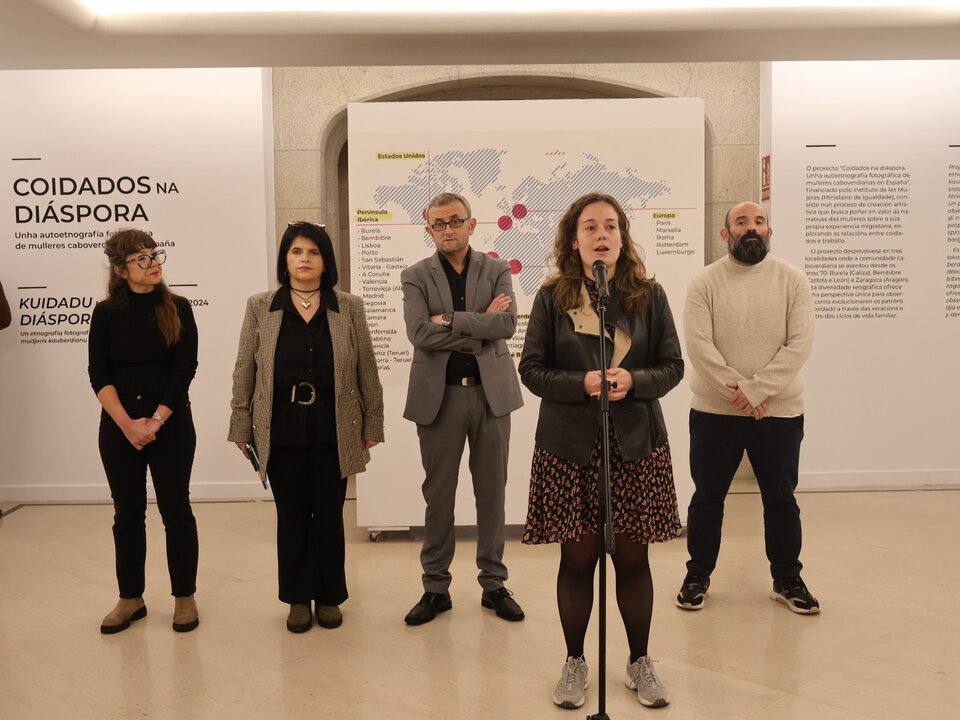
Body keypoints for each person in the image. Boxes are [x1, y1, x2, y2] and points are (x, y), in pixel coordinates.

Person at [519, 192, 682, 710]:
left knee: (634, 559)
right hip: (571, 450)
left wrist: (634, 379)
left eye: (610, 226)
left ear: (622, 238)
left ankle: (639, 661)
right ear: (574, 240)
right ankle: (574, 662)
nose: (602, 235)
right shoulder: (551, 298)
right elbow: (532, 369)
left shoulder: (649, 296)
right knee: (578, 558)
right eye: (590, 227)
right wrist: (581, 382)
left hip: (635, 444)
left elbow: (673, 366)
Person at [229, 221, 383, 633]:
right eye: (296, 251)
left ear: (325, 260)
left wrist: (374, 420)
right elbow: (246, 367)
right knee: (292, 515)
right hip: (281, 426)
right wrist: (240, 424)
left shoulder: (348, 306)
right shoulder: (261, 306)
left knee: (329, 514)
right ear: (285, 259)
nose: (305, 259)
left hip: (335, 425)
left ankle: (330, 596)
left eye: (313, 252)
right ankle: (297, 597)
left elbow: (366, 367)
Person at [677, 201, 818, 614]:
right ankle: (697, 575)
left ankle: (788, 579)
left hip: (779, 412)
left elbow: (799, 346)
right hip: (715, 411)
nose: (751, 228)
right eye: (742, 222)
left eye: (759, 222)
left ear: (769, 230)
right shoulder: (704, 282)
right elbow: (700, 346)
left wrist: (756, 391)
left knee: (781, 499)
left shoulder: (794, 280)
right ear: (726, 234)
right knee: (708, 498)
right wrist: (739, 392)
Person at [400, 191, 525, 626]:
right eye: (439, 223)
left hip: (491, 398)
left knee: (492, 493)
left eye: (455, 221)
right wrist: (478, 325)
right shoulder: (415, 275)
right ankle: (435, 588)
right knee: (439, 496)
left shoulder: (497, 270)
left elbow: (506, 325)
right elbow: (419, 332)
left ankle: (494, 584)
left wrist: (448, 320)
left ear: (472, 224)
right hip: (440, 398)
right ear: (428, 228)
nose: (448, 229)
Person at [87, 229, 200, 634]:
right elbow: (98, 374)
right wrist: (127, 423)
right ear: (120, 269)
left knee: (176, 511)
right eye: (141, 259)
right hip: (119, 426)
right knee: (127, 514)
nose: (153, 264)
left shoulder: (178, 307)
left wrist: (155, 420)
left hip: (170, 424)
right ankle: (130, 598)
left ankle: (184, 597)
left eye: (154, 255)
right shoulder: (105, 313)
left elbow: (184, 367)